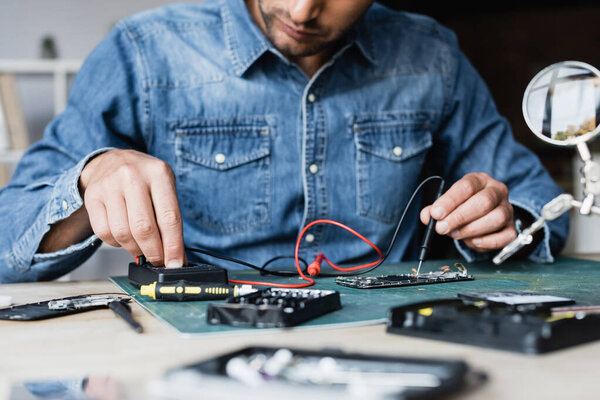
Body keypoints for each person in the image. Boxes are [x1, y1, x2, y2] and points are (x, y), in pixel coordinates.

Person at [0, 0, 568, 283]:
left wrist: (506, 219)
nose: (302, 11)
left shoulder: (433, 56)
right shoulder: (143, 53)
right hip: (198, 346)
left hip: (394, 344)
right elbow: (7, 232)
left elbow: (543, 207)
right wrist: (86, 182)